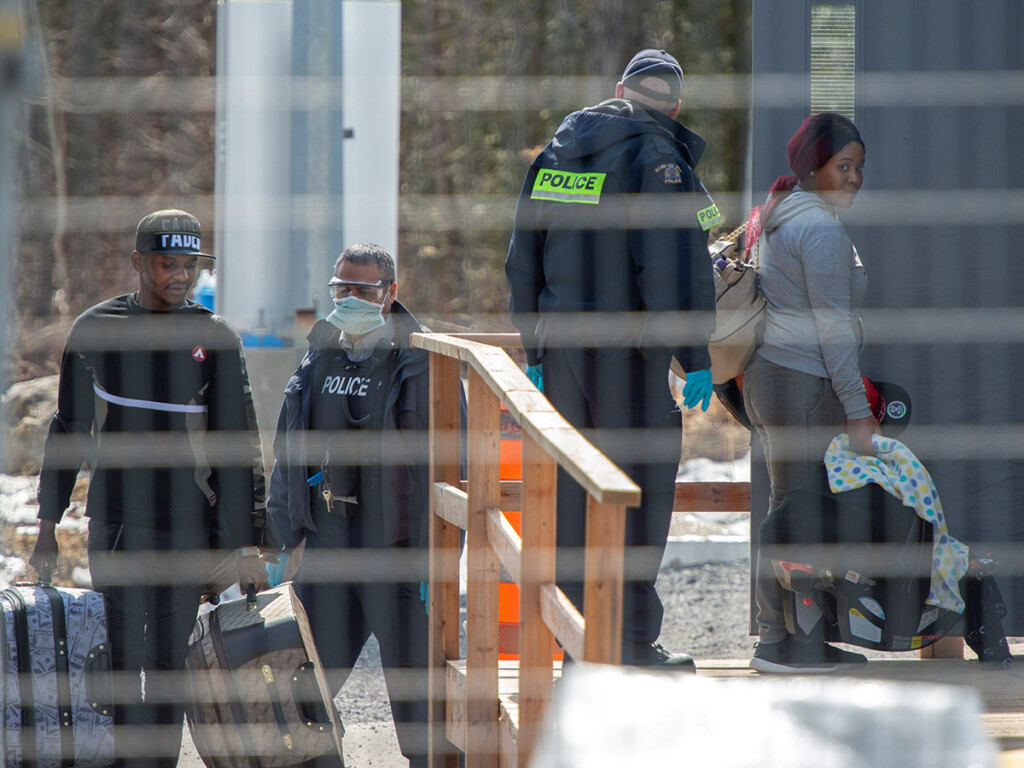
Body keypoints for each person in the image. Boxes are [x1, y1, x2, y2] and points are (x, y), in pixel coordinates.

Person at [505, 49, 719, 669]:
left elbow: (524, 253)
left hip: (565, 352)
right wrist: (693, 351)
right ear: (675, 104)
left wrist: (535, 343)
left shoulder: (557, 151)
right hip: (628, 355)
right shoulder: (658, 157)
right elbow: (673, 266)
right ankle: (626, 645)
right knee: (639, 491)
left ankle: (580, 646)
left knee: (575, 495)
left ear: (620, 88)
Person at [31, 209, 268, 767]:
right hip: (113, 526)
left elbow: (240, 447)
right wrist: (47, 524)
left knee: (166, 669)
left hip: (187, 531)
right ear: (139, 262)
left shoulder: (215, 338)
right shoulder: (97, 328)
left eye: (190, 264)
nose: (181, 275)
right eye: (168, 264)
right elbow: (66, 431)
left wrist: (248, 544)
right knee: (117, 658)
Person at [266, 243, 432, 767]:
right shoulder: (320, 353)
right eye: (343, 289)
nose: (353, 298)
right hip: (329, 545)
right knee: (302, 692)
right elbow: (289, 451)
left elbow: (449, 467)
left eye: (365, 289)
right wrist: (278, 536)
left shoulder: (420, 359)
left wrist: (439, 553)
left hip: (396, 552)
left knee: (421, 704)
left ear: (391, 293)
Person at [741, 112, 878, 674]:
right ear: (813, 168)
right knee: (794, 512)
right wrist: (857, 410)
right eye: (843, 166)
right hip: (798, 381)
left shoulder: (780, 213)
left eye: (859, 168)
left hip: (774, 378)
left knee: (788, 508)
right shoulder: (817, 227)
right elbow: (834, 328)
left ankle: (796, 637)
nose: (853, 178)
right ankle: (780, 643)